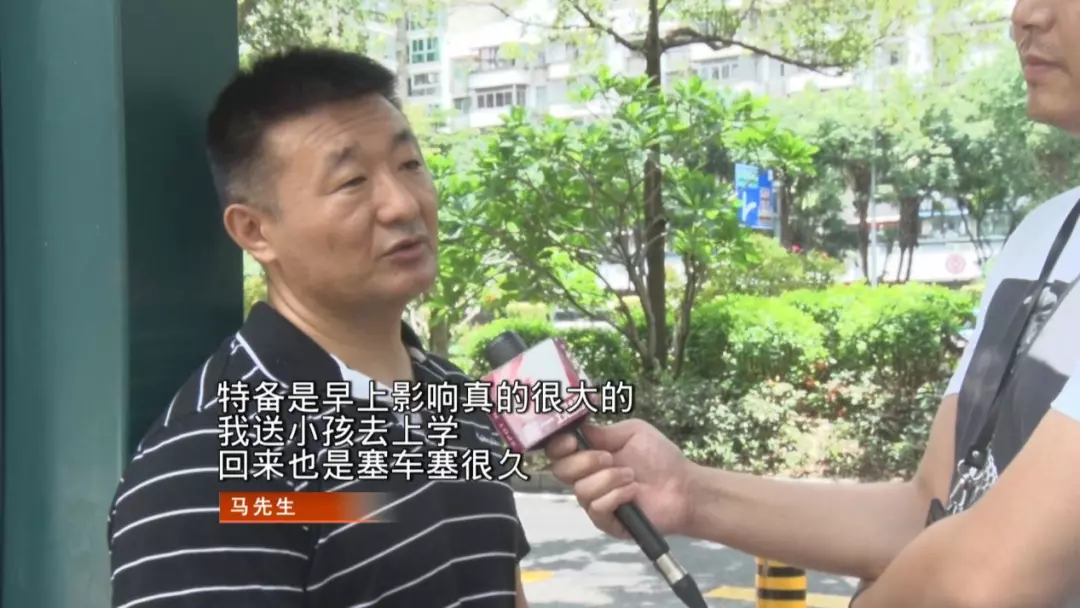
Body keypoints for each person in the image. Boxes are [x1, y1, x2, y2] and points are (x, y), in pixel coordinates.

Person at [544, 0, 1080, 605]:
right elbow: (928, 509)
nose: (1025, 15)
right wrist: (690, 492)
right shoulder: (1041, 237)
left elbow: (985, 578)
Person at [108, 48, 531, 607]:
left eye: (409, 164)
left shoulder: (453, 394)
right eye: (352, 181)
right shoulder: (211, 463)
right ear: (255, 231)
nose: (403, 205)